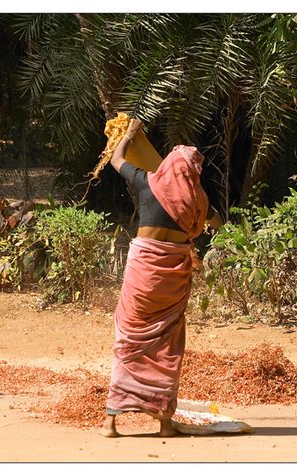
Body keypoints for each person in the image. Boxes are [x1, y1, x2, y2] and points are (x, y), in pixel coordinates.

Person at [101, 118, 222, 438]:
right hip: (173, 276)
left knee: (129, 335)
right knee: (167, 342)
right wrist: (201, 205)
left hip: (143, 271)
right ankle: (165, 422)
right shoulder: (199, 199)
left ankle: (111, 421)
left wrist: (128, 135)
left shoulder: (149, 182)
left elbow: (116, 160)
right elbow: (218, 222)